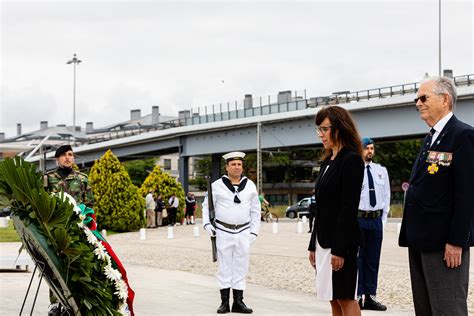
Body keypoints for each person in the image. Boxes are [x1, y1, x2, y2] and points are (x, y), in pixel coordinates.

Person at [399, 76, 474, 315]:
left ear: (445, 99)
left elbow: (467, 193)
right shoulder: (431, 137)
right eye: (416, 99)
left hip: (444, 244)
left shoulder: (462, 135)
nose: (418, 103)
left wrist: (456, 241)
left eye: (423, 98)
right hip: (421, 239)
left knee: (447, 308)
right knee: (426, 309)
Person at [307, 106, 364, 316]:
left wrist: (339, 249)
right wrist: (313, 244)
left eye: (324, 129)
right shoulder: (328, 162)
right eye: (318, 130)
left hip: (342, 243)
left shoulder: (351, 160)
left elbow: (348, 208)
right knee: (332, 298)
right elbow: (321, 208)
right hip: (323, 241)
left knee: (346, 297)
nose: (320, 134)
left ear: (339, 128)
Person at [202, 151, 261, 314]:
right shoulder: (216, 186)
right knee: (224, 267)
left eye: (239, 164)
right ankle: (224, 302)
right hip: (223, 231)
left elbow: (256, 210)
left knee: (241, 267)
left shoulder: (250, 185)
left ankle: (239, 302)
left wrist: (254, 232)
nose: (236, 167)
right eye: (233, 164)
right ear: (227, 167)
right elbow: (206, 207)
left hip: (243, 231)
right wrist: (208, 225)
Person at [44, 144, 94, 316]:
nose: (67, 157)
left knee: (77, 267)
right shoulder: (48, 179)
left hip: (77, 231)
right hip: (55, 231)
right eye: (64, 155)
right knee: (55, 267)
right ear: (57, 159)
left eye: (70, 154)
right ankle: (55, 303)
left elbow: (90, 206)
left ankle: (76, 303)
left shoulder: (82, 179)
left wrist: (90, 229)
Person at [356, 138, 390, 311]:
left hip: (375, 220)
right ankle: (357, 296)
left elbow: (386, 197)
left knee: (373, 260)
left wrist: (382, 221)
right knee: (358, 259)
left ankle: (370, 296)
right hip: (359, 219)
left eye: (371, 148)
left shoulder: (381, 171)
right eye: (366, 148)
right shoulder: (354, 170)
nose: (369, 151)